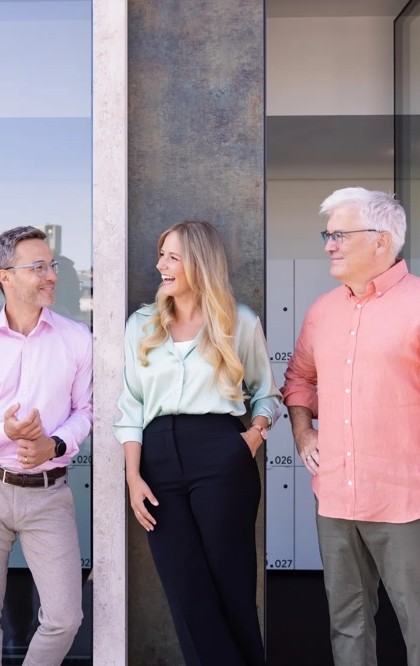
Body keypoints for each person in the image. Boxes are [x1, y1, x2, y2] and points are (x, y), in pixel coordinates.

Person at [282, 187, 420, 666]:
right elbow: (298, 379)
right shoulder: (323, 311)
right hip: (337, 500)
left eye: (339, 234)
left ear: (381, 240)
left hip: (411, 507)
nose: (328, 245)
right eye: (328, 234)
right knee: (348, 628)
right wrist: (303, 432)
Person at [115, 219, 281, 666]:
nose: (160, 265)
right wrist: (132, 477)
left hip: (222, 453)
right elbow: (130, 405)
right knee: (186, 593)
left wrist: (253, 437)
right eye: (161, 254)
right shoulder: (141, 325)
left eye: (172, 257)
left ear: (199, 264)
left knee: (232, 588)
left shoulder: (239, 321)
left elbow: (267, 392)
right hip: (157, 461)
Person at [0, 225, 92, 665]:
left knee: (65, 617)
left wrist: (55, 445)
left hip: (49, 494)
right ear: (5, 276)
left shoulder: (77, 338)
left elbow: (88, 410)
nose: (51, 275)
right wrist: (1, 433)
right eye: (38, 267)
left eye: (53, 265)